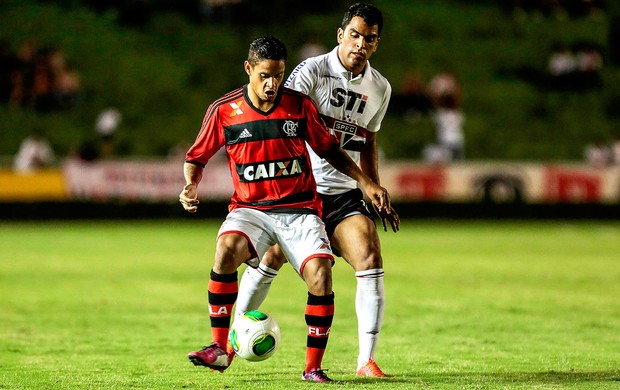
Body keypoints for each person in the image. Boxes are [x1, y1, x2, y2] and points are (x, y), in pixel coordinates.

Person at [180, 35, 392, 383]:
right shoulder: (225, 110)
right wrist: (190, 183)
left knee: (321, 273)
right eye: (264, 75)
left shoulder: (299, 106)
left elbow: (330, 150)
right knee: (225, 250)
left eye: (278, 75)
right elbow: (196, 156)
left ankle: (313, 368)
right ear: (248, 69)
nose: (272, 84)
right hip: (251, 209)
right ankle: (219, 347)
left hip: (299, 210)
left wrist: (366, 182)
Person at [234, 3, 399, 378]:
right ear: (340, 35)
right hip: (300, 188)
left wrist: (371, 186)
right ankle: (232, 337)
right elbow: (278, 120)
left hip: (342, 191)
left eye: (369, 39)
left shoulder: (380, 88)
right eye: (354, 35)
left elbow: (367, 139)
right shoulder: (310, 72)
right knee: (270, 257)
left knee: (370, 255)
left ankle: (365, 362)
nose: (360, 44)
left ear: (376, 44)